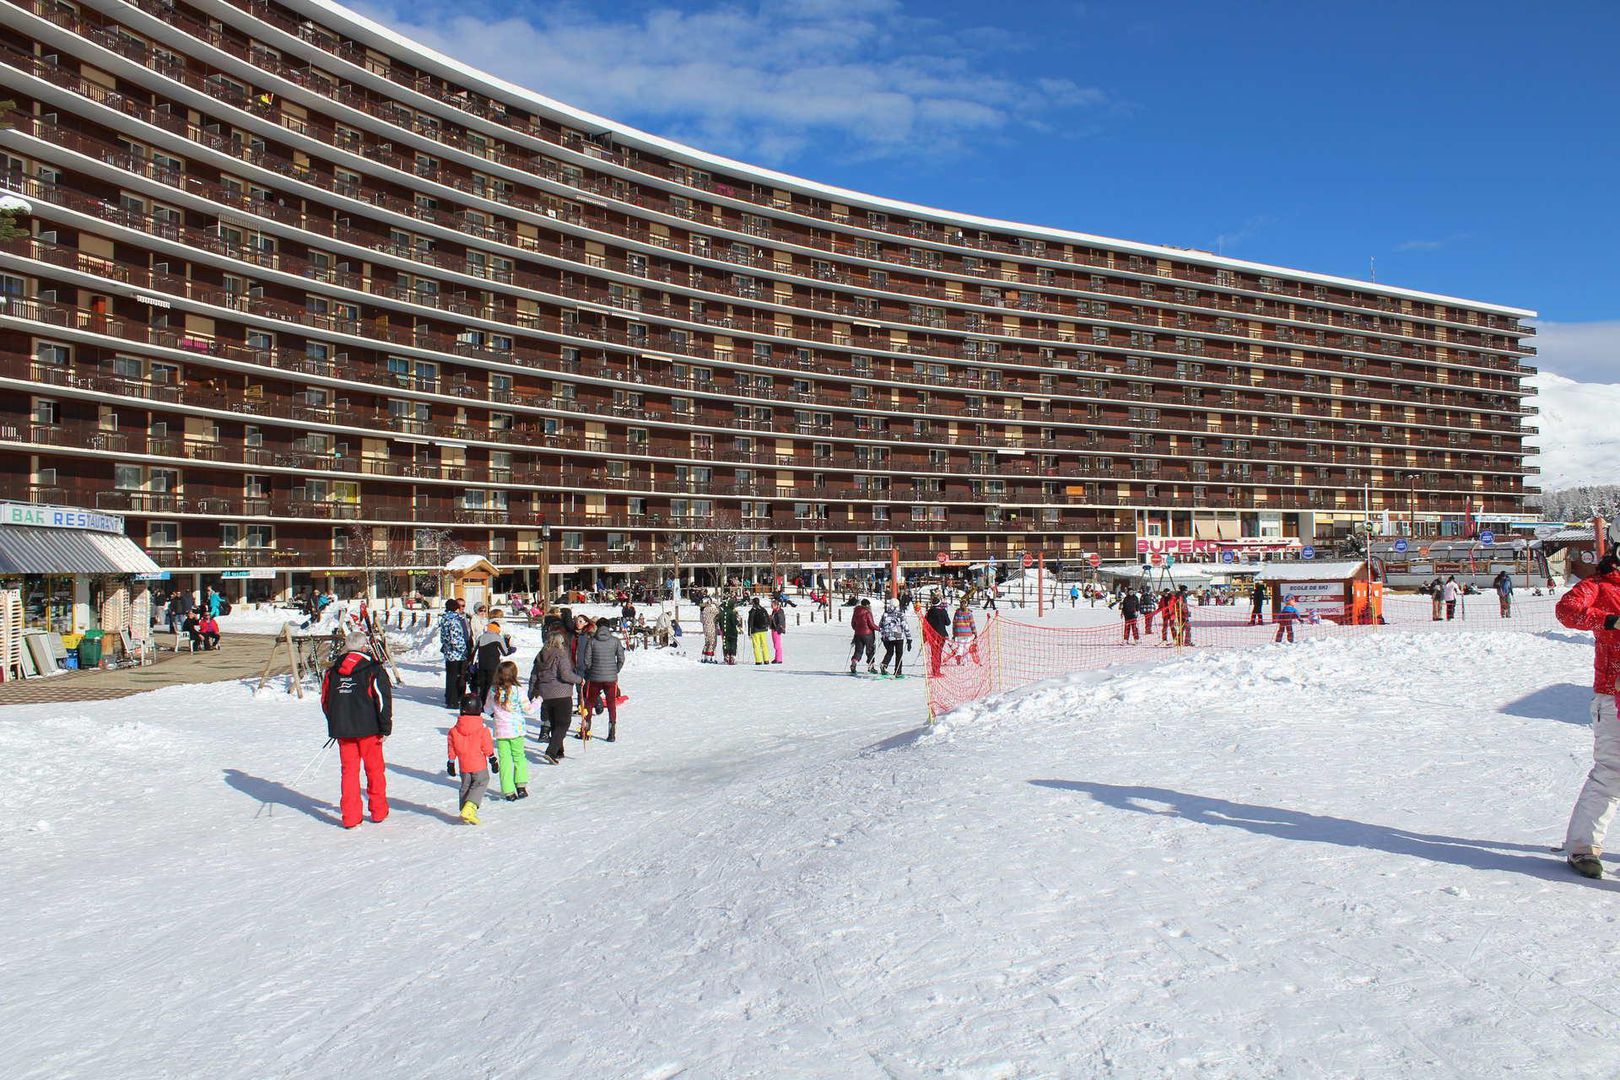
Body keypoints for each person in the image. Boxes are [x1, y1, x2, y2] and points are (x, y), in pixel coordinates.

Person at [1557, 553, 1620, 878]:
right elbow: (1567, 611)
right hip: (1613, 694)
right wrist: (1609, 620)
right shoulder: (1597, 585)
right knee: (1612, 774)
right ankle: (1583, 847)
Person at [320, 631, 393, 829]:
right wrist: (385, 727)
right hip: (369, 729)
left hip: (344, 729)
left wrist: (336, 722)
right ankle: (378, 810)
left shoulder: (333, 670)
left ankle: (350, 816)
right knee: (375, 770)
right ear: (364, 647)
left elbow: (326, 700)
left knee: (349, 773)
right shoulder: (373, 669)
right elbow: (382, 700)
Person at [528, 629, 583, 763]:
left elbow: (534, 675)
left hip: (545, 694)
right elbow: (565, 674)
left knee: (554, 723)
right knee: (563, 723)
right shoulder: (561, 655)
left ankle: (559, 750)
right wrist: (579, 680)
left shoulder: (541, 655)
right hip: (561, 693)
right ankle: (551, 751)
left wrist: (531, 692)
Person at [484, 660, 531, 801]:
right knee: (519, 757)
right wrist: (538, 701)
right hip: (516, 730)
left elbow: (487, 709)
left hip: (501, 731)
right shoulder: (518, 690)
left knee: (504, 760)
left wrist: (494, 713)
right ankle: (521, 786)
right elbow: (528, 709)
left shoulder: (493, 690)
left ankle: (508, 790)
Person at [446, 691, 495, 825]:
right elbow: (487, 746)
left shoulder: (454, 730)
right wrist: (492, 759)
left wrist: (451, 762)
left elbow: (451, 747)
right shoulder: (482, 729)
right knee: (481, 782)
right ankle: (470, 807)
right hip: (478, 764)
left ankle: (464, 810)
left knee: (466, 786)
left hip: (464, 765)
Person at [579, 617, 626, 742]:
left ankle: (586, 730)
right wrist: (615, 670)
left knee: (589, 702)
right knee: (611, 704)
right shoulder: (615, 641)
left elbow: (587, 660)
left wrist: (591, 670)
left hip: (594, 677)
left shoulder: (592, 641)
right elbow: (621, 658)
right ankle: (612, 732)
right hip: (611, 678)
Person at [471, 617, 515, 707]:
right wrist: (512, 649)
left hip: (481, 665)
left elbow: (473, 651)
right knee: (492, 685)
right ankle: (490, 705)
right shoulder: (497, 638)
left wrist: (471, 663)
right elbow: (505, 652)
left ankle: (481, 704)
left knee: (482, 685)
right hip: (493, 665)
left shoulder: (481, 637)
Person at [438, 598, 471, 708]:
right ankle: (454, 700)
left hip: (448, 652)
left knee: (450, 676)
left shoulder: (444, 619)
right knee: (457, 677)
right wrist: (464, 650)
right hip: (457, 654)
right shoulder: (454, 620)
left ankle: (449, 698)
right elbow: (456, 638)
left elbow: (443, 637)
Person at [877, 597, 911, 678]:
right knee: (899, 654)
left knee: (890, 652)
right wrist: (909, 639)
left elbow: (880, 626)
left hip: (888, 637)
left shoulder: (885, 614)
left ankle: (884, 664)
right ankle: (898, 671)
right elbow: (905, 626)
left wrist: (883, 634)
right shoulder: (900, 614)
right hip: (898, 636)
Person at [849, 597, 878, 675]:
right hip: (868, 634)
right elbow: (871, 624)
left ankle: (854, 662)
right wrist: (879, 628)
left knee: (858, 650)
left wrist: (857, 629)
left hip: (858, 634)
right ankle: (871, 666)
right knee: (870, 651)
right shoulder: (867, 612)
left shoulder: (856, 611)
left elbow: (853, 623)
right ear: (867, 605)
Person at [924, 597, 951, 677]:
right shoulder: (943, 611)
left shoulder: (929, 612)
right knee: (938, 653)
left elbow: (926, 623)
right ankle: (937, 671)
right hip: (941, 635)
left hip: (931, 635)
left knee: (934, 653)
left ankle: (934, 670)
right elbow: (948, 623)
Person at [951, 599, 978, 664]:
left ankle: (959, 655)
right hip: (968, 632)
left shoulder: (957, 613)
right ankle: (965, 661)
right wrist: (975, 632)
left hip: (959, 632)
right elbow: (972, 623)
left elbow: (954, 623)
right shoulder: (969, 613)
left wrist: (954, 634)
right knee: (967, 647)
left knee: (960, 646)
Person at [747, 597, 771, 665]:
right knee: (764, 645)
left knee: (756, 645)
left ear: (753, 603)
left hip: (755, 630)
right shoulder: (763, 609)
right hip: (764, 630)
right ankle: (766, 659)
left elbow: (750, 621)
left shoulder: (752, 611)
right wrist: (767, 625)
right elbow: (768, 618)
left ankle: (758, 660)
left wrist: (749, 631)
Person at [699, 597, 719, 663]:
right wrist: (716, 604)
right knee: (712, 642)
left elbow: (701, 620)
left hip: (705, 628)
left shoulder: (702, 610)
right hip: (712, 627)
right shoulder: (711, 609)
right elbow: (719, 611)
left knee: (707, 642)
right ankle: (710, 657)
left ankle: (704, 656)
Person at [721, 599, 740, 666]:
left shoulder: (722, 613)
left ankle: (726, 656)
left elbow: (720, 623)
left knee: (726, 644)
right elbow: (735, 622)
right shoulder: (732, 613)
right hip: (733, 632)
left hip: (725, 632)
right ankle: (732, 656)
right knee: (733, 644)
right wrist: (738, 620)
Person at [770, 599, 787, 664]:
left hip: (777, 629)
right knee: (775, 644)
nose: (772, 606)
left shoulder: (779, 612)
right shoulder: (774, 611)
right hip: (774, 628)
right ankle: (776, 658)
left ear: (777, 605)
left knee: (777, 645)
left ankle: (779, 659)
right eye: (771, 605)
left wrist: (778, 628)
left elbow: (781, 621)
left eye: (773, 605)